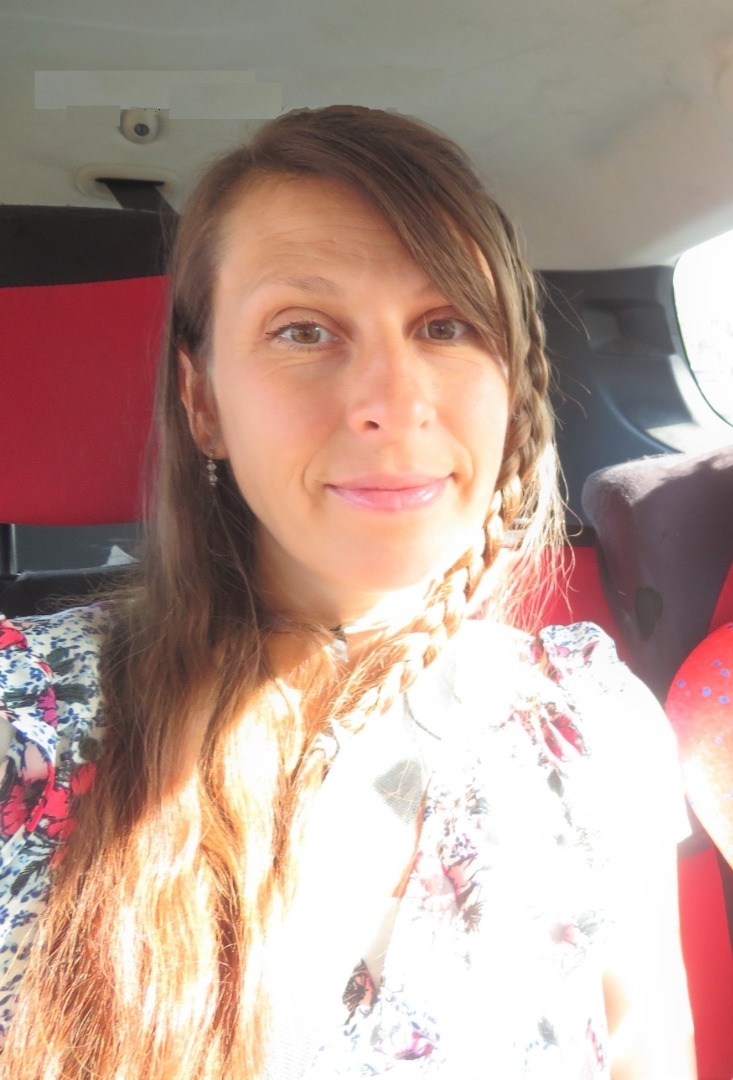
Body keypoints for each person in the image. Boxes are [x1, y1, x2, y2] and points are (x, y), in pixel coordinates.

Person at [0, 105, 695, 1079]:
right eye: (304, 330)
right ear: (203, 402)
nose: (393, 402)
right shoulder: (23, 713)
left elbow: (647, 1054)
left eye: (446, 326)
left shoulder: (596, 727)